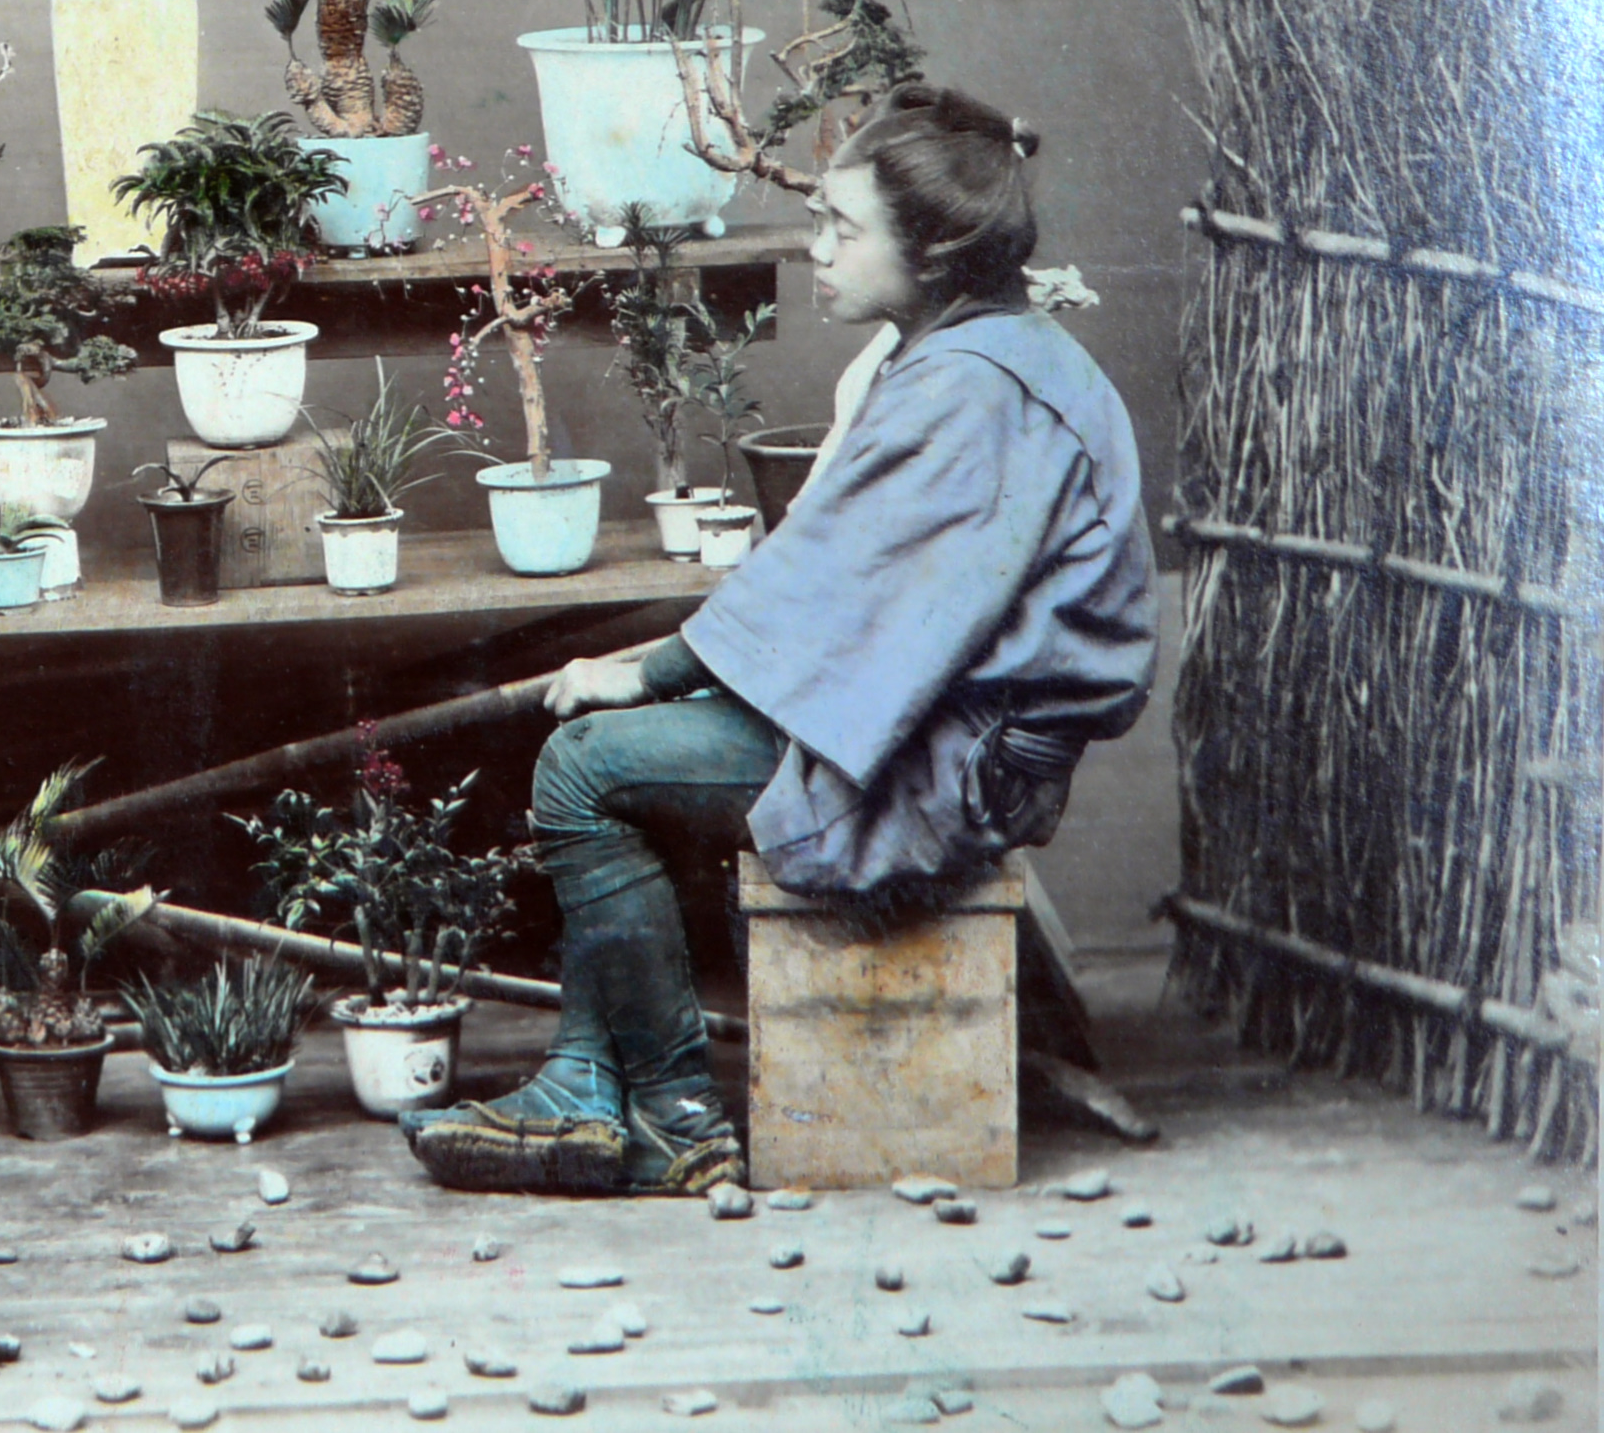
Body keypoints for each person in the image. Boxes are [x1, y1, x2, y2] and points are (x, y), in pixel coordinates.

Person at [405, 84, 1158, 1196]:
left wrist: (641, 669)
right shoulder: (967, 354)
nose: (815, 250)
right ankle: (580, 1083)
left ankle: (667, 1110)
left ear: (939, 251)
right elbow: (835, 589)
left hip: (957, 761)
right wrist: (656, 677)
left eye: (842, 229)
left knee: (582, 768)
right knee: (631, 748)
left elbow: (828, 593)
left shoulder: (973, 388)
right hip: (935, 720)